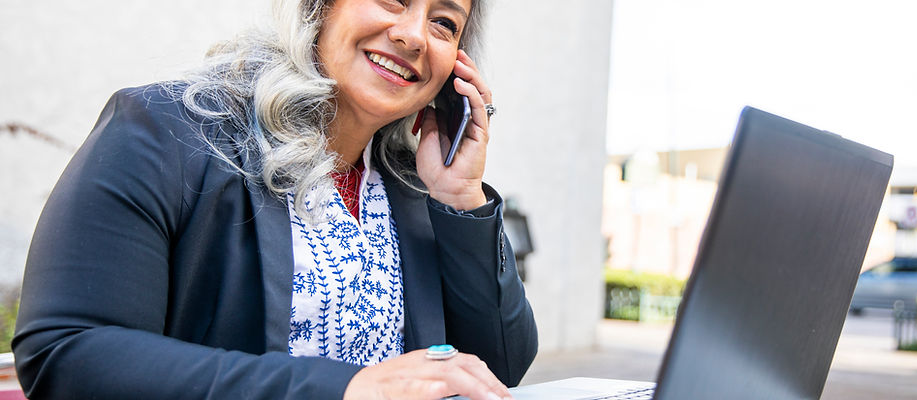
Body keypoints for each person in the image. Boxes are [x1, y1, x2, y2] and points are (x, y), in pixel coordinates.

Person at [12, 0, 537, 398]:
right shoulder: (162, 132)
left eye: (444, 22)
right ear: (319, 8)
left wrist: (461, 197)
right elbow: (68, 353)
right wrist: (344, 389)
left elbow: (501, 366)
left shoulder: (415, 186)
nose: (414, 35)